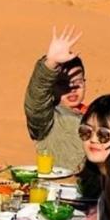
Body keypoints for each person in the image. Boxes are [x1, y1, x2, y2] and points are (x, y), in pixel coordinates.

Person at [24, 25, 88, 174]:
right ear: (51, 88)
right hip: (58, 191)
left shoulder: (96, 118)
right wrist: (50, 63)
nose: (71, 87)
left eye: (77, 82)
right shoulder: (47, 120)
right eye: (62, 83)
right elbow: (36, 98)